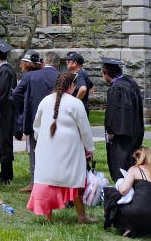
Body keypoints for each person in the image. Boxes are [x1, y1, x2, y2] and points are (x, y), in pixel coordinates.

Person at [27, 71, 96, 224]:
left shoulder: (45, 101)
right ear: (72, 85)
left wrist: (41, 139)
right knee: (73, 181)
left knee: (47, 181)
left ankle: (48, 217)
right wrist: (90, 148)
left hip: (47, 149)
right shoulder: (76, 103)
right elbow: (85, 129)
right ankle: (81, 216)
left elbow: (36, 125)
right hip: (69, 150)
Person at [13, 50, 60, 192]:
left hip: (34, 119)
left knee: (34, 152)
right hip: (56, 120)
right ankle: (53, 182)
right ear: (58, 64)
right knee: (55, 152)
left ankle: (35, 183)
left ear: (44, 62)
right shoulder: (61, 77)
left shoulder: (30, 76)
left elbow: (16, 94)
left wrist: (24, 108)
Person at [103, 146, 151, 239]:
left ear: (141, 157)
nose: (135, 162)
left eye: (136, 159)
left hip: (138, 211)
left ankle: (130, 226)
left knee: (112, 194)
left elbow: (123, 190)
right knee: (146, 210)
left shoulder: (135, 169)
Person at [102, 57, 144, 183]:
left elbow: (114, 112)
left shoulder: (116, 88)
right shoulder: (131, 83)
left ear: (106, 72)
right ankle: (132, 184)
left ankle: (123, 187)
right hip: (134, 130)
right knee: (132, 161)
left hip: (120, 134)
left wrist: (111, 131)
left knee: (120, 164)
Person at [0, 40, 17, 184]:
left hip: (4, 110)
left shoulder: (5, 70)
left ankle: (6, 175)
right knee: (2, 140)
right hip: (3, 110)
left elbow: (1, 94)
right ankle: (4, 172)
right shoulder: (2, 69)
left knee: (5, 141)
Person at [65, 51, 93, 117]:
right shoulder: (83, 72)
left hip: (79, 108)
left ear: (75, 63)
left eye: (68, 61)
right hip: (83, 106)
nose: (66, 62)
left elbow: (83, 89)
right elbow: (92, 87)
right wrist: (84, 98)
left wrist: (75, 102)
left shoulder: (79, 74)